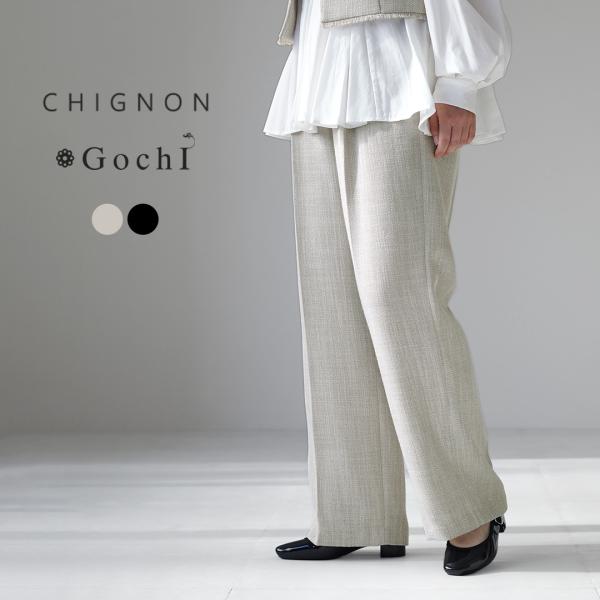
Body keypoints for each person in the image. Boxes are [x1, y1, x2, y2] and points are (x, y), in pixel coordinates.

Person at [263, 0, 511, 576]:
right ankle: (355, 515)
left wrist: (459, 84)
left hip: (402, 76)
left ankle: (469, 506)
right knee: (333, 300)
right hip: (319, 74)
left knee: (401, 297)